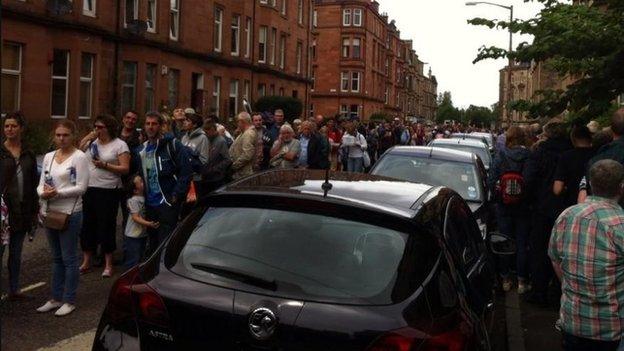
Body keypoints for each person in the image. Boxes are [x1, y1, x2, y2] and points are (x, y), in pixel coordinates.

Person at [549, 160, 624, 351]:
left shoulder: (567, 216)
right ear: (621, 187)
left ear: (590, 184)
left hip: (572, 321)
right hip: (611, 329)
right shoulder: (620, 224)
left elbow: (555, 258)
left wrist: (573, 286)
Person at [36, 120, 90, 316]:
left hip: (70, 213)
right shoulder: (49, 156)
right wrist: (43, 194)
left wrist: (56, 193)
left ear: (73, 136)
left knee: (69, 259)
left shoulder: (80, 157)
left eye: (65, 135)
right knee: (56, 258)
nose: (61, 138)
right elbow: (41, 183)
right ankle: (55, 298)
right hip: (50, 212)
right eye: (58, 135)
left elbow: (81, 187)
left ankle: (69, 300)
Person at [523, 119, 572, 306]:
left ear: (548, 133)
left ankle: (539, 291)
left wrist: (529, 201)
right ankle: (557, 291)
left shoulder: (539, 152)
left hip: (542, 207)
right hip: (566, 207)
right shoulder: (570, 151)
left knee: (540, 250)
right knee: (563, 251)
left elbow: (528, 180)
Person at [78, 115, 130, 278]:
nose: (97, 130)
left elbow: (125, 168)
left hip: (108, 190)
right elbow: (78, 152)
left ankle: (108, 262)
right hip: (89, 188)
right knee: (87, 225)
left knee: (106, 225)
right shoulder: (92, 143)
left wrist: (105, 165)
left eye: (101, 127)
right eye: (95, 127)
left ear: (109, 128)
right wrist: (88, 136)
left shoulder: (120, 145)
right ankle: (87, 259)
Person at [139, 112, 192, 255]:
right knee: (153, 241)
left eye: (154, 124)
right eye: (147, 124)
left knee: (166, 243)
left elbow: (186, 172)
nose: (150, 127)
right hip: (150, 204)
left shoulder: (172, 145)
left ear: (161, 126)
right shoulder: (143, 149)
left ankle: (165, 272)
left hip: (167, 203)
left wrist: (175, 196)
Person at [487, 126, 531, 293]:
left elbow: (491, 181)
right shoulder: (528, 156)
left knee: (504, 241)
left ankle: (505, 279)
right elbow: (530, 182)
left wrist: (499, 198)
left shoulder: (501, 156)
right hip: (523, 207)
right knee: (521, 243)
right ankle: (521, 281)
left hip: (503, 207)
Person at [0, 112, 39, 300]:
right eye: (7, 126)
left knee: (15, 253)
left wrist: (34, 211)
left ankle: (14, 289)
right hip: (2, 213)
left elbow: (33, 184)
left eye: (13, 126)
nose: (9, 129)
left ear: (21, 128)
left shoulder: (28, 153)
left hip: (21, 211)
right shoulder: (1, 152)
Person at [553, 125, 595, 209]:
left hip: (571, 203)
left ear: (573, 139)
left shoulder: (566, 157)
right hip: (593, 203)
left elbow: (557, 189)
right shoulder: (598, 154)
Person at [123, 174, 158, 270]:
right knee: (133, 259)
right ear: (135, 190)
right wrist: (149, 224)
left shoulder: (145, 198)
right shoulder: (133, 200)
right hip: (132, 236)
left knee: (140, 257)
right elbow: (135, 217)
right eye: (141, 182)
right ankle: (129, 277)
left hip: (141, 234)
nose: (144, 183)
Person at [118, 111, 142, 228]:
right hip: (113, 177)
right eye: (128, 118)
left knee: (127, 210)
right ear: (123, 119)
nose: (130, 121)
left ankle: (127, 239)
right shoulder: (114, 134)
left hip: (129, 178)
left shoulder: (139, 138)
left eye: (133, 119)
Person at [200, 122, 232, 193]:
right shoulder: (206, 139)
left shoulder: (221, 141)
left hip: (217, 178)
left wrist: (215, 169)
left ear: (213, 130)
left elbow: (227, 160)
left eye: (207, 132)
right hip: (206, 178)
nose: (205, 134)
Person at [229, 112, 258, 180]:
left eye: (238, 122)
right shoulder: (244, 133)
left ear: (242, 122)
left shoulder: (248, 134)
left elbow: (247, 155)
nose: (237, 125)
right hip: (240, 173)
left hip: (244, 174)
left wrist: (234, 166)